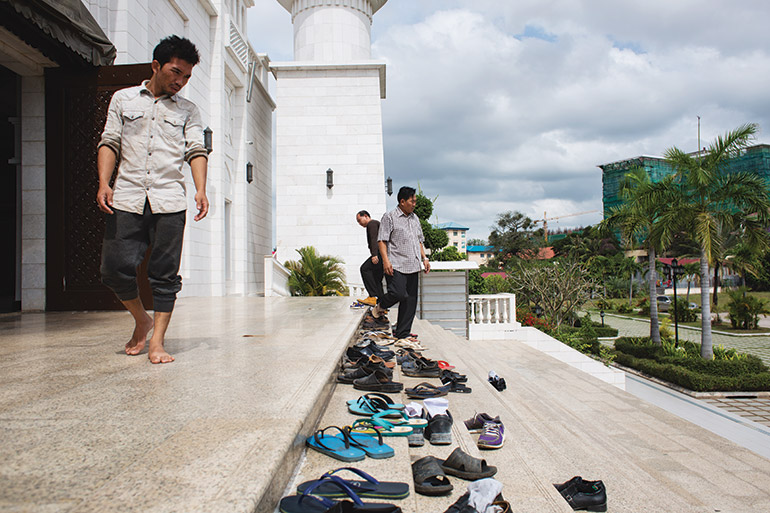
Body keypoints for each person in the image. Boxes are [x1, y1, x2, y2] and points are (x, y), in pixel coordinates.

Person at [96, 35, 209, 364]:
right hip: (128, 196)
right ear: (156, 66)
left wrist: (201, 189)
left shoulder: (189, 110)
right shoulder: (123, 99)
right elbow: (110, 142)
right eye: (176, 72)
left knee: (165, 274)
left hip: (169, 200)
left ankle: (157, 341)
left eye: (187, 76)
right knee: (113, 269)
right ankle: (141, 320)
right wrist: (104, 182)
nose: (180, 81)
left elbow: (196, 150)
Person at [371, 186, 430, 340]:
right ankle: (380, 306)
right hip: (396, 264)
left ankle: (402, 334)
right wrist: (386, 261)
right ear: (402, 201)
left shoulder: (415, 218)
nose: (414, 204)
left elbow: (419, 241)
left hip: (413, 264)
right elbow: (382, 240)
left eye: (415, 201)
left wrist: (425, 258)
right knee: (397, 293)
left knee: (410, 301)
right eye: (412, 201)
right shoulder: (389, 217)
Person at [356, 210, 384, 306]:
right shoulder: (376, 224)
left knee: (365, 269)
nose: (359, 223)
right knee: (377, 279)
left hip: (379, 254)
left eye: (360, 220)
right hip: (383, 254)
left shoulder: (371, 224)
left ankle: (372, 296)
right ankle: (381, 304)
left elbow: (374, 239)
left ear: (366, 216)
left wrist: (374, 254)